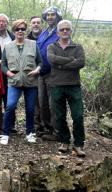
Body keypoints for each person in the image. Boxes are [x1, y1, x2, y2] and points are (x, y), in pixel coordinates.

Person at [0, 19, 42, 145]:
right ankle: (5, 133)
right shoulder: (8, 47)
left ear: (26, 30)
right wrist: (8, 73)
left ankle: (30, 133)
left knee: (30, 109)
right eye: (17, 29)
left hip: (30, 81)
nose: (20, 31)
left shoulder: (33, 44)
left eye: (23, 29)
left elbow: (40, 62)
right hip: (14, 81)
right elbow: (3, 65)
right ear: (14, 31)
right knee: (10, 105)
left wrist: (37, 70)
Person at [47, 20, 86, 157]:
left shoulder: (78, 47)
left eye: (67, 29)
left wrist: (61, 64)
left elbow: (81, 62)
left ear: (71, 31)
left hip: (73, 86)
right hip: (57, 86)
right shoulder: (52, 46)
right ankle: (64, 141)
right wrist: (71, 61)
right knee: (59, 116)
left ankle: (79, 144)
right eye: (62, 29)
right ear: (57, 32)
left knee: (78, 116)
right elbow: (51, 59)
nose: (64, 31)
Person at [36, 6, 62, 140]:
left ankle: (58, 132)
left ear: (58, 16)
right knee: (43, 102)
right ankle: (48, 129)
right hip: (41, 73)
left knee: (54, 104)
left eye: (53, 14)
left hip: (54, 73)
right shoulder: (44, 32)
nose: (50, 17)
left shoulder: (60, 31)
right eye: (48, 15)